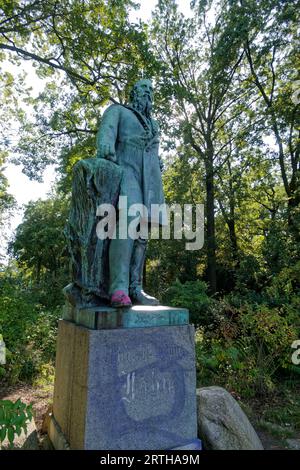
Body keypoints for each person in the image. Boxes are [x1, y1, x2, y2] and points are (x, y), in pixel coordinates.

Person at [96, 79, 166, 307]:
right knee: (128, 221)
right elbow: (107, 131)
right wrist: (106, 145)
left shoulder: (154, 124)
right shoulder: (118, 111)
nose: (147, 92)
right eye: (142, 88)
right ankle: (118, 287)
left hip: (151, 182)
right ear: (133, 92)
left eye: (150, 90)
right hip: (127, 172)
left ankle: (135, 287)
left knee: (143, 233)